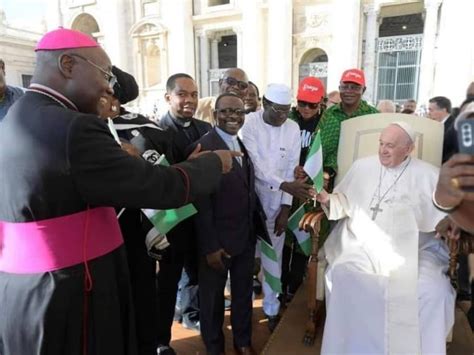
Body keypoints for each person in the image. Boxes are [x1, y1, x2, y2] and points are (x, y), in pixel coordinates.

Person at [0, 28, 239, 355]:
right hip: (71, 288)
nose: (107, 86)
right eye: (104, 74)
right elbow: (155, 186)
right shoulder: (75, 127)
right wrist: (214, 163)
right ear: (68, 64)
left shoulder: (17, 115)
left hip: (34, 287)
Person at [315, 122, 455, 354]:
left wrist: (448, 221)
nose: (382, 150)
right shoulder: (362, 167)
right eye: (381, 143)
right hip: (361, 243)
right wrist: (327, 199)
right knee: (343, 274)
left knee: (434, 289)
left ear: (408, 149)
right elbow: (345, 202)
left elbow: (446, 213)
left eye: (390, 145)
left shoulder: (429, 174)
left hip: (415, 250)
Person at [98, 65, 175, 355]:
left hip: (138, 227)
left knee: (144, 291)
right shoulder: (81, 130)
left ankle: (151, 344)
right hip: (98, 230)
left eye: (110, 94)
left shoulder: (148, 130)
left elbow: (167, 175)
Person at [240, 83, 314, 332]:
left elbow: (292, 166)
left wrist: (285, 208)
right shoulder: (249, 123)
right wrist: (286, 185)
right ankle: (242, 312)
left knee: (274, 259)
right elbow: (256, 165)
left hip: (277, 204)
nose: (283, 116)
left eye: (286, 110)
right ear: (264, 103)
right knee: (245, 261)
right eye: (278, 110)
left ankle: (271, 310)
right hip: (249, 203)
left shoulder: (292, 127)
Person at [193, 93, 257, 355]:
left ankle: (242, 342)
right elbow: (200, 204)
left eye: (239, 112)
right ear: (214, 114)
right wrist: (210, 246)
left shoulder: (242, 143)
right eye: (227, 111)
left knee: (243, 296)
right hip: (217, 244)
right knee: (212, 302)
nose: (234, 116)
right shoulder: (204, 147)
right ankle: (214, 348)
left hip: (244, 238)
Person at [156, 73, 212, 354]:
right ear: (169, 97)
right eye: (182, 94)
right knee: (167, 282)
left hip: (200, 216)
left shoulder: (204, 127)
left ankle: (191, 315)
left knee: (195, 274)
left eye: (193, 94)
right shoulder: (156, 132)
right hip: (172, 220)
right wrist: (188, 167)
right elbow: (158, 178)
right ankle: (161, 341)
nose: (189, 100)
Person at [281, 76, 325, 302]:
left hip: (309, 189)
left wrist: (310, 171)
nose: (306, 108)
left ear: (321, 102)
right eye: (302, 103)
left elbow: (328, 155)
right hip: (286, 185)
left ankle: (294, 287)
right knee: (284, 236)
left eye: (312, 104)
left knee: (301, 235)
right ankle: (280, 285)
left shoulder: (327, 122)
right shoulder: (287, 119)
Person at [316, 68, 378, 178]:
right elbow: (318, 145)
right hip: (331, 178)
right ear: (339, 88)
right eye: (345, 87)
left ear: (363, 90)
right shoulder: (329, 114)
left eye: (355, 88)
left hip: (364, 177)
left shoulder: (374, 115)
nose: (349, 91)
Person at [428, 96, 454, 163]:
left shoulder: (453, 126)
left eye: (431, 110)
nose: (429, 113)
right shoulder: (438, 124)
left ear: (443, 110)